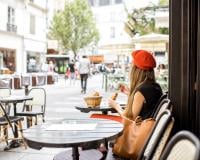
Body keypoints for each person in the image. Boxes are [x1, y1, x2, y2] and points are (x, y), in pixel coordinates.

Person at [108, 49, 163, 121]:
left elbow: (129, 119)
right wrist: (130, 93)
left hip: (141, 130)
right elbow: (147, 105)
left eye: (131, 67)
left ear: (136, 71)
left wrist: (115, 105)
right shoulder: (155, 86)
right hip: (151, 128)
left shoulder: (141, 91)